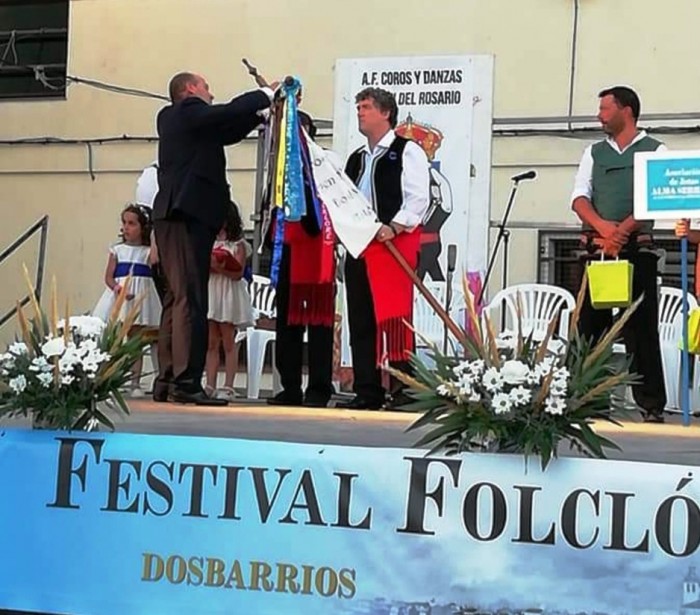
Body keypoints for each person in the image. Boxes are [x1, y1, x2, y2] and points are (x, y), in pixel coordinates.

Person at [152, 71, 274, 406]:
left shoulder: (190, 124)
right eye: (206, 86)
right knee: (190, 298)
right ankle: (187, 381)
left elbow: (228, 129)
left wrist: (259, 113)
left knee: (178, 298)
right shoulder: (184, 111)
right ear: (190, 89)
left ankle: (168, 379)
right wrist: (264, 93)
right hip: (186, 213)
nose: (211, 91)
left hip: (177, 214)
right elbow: (222, 114)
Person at [571, 85, 667, 423]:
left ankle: (651, 403)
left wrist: (622, 231)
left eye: (605, 108)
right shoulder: (594, 152)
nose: (599, 115)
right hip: (597, 249)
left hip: (636, 250)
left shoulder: (655, 150)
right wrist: (603, 228)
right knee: (588, 327)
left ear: (626, 110)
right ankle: (585, 398)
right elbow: (580, 197)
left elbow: (653, 199)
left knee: (640, 328)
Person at [338, 87, 430, 410]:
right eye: (358, 106)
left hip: (392, 245)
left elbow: (419, 197)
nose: (360, 112)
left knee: (394, 318)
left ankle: (405, 390)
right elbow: (345, 200)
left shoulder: (406, 151)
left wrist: (395, 225)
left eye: (365, 107)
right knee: (361, 318)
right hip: (360, 247)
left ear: (385, 113)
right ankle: (368, 390)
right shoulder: (357, 158)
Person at [266, 111, 337, 408]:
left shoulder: (325, 164)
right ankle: (290, 386)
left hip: (317, 247)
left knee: (319, 325)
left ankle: (320, 388)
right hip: (289, 249)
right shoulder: (279, 166)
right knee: (287, 323)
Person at [93, 204, 161, 397]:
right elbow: (108, 277)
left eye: (132, 223)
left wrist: (155, 235)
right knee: (113, 338)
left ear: (142, 227)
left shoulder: (147, 252)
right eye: (124, 223)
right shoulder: (117, 250)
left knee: (136, 340)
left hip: (141, 297)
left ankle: (135, 383)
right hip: (119, 297)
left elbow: (155, 260)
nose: (126, 227)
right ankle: (106, 377)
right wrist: (118, 289)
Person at [205, 201, 254, 401]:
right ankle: (209, 384)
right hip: (212, 291)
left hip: (228, 293)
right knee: (211, 342)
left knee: (228, 340)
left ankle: (229, 385)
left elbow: (238, 273)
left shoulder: (239, 245)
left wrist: (220, 268)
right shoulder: (208, 240)